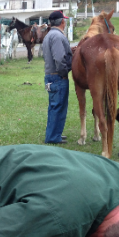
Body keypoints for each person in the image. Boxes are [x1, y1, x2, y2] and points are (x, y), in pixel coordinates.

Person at [42, 11, 72, 144]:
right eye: (64, 21)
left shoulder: (49, 35)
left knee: (54, 107)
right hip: (58, 77)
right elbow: (59, 59)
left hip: (51, 76)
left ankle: (54, 134)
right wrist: (64, 73)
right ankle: (53, 137)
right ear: (62, 22)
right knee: (58, 107)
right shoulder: (58, 36)